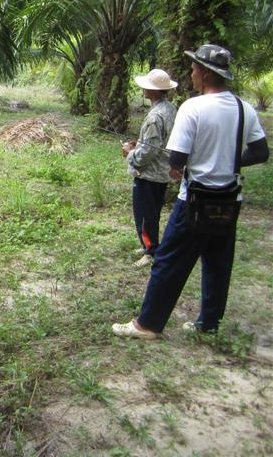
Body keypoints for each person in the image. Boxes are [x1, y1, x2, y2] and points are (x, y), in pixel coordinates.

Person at [112, 44, 269, 339]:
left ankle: (147, 325)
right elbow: (260, 152)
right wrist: (229, 159)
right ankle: (208, 324)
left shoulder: (193, 107)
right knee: (218, 263)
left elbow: (176, 160)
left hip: (194, 200)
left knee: (169, 262)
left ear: (207, 74)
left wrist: (184, 164)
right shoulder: (243, 108)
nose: (192, 72)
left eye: (195, 68)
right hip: (229, 201)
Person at [121, 69, 178, 267]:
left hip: (150, 174)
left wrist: (129, 153)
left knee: (145, 215)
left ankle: (151, 251)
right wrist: (139, 144)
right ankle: (148, 245)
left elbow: (148, 153)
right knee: (152, 212)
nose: (143, 88)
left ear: (153, 91)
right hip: (162, 171)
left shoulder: (155, 116)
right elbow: (156, 142)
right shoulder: (169, 108)